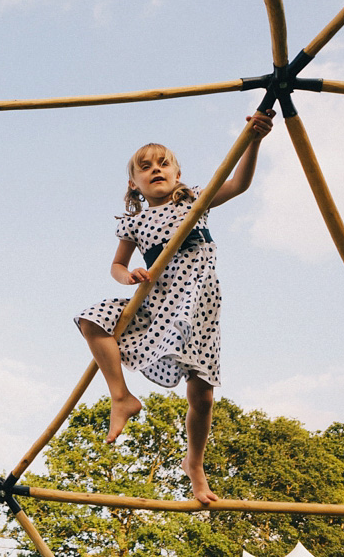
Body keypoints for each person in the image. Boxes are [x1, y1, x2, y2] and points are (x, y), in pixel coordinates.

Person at [74, 109, 274, 505]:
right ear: (134, 184)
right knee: (91, 320)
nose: (156, 170)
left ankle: (194, 464)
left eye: (164, 164)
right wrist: (128, 275)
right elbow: (115, 265)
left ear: (177, 174)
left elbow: (238, 184)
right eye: (145, 167)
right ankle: (121, 396)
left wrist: (254, 140)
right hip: (155, 301)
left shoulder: (194, 201)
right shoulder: (134, 224)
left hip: (197, 304)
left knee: (201, 396)